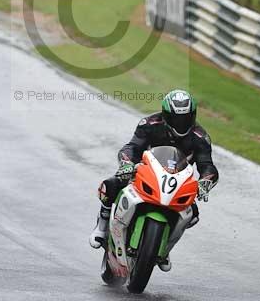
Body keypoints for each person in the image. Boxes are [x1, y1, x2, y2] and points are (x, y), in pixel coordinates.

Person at [89, 89, 218, 271]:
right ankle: (102, 227)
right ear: (166, 115)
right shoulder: (149, 124)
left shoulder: (200, 137)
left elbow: (208, 166)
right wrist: (126, 164)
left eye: (186, 118)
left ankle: (164, 248)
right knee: (110, 185)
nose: (181, 123)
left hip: (176, 183)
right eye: (176, 118)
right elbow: (131, 147)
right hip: (143, 173)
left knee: (193, 214)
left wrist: (205, 182)